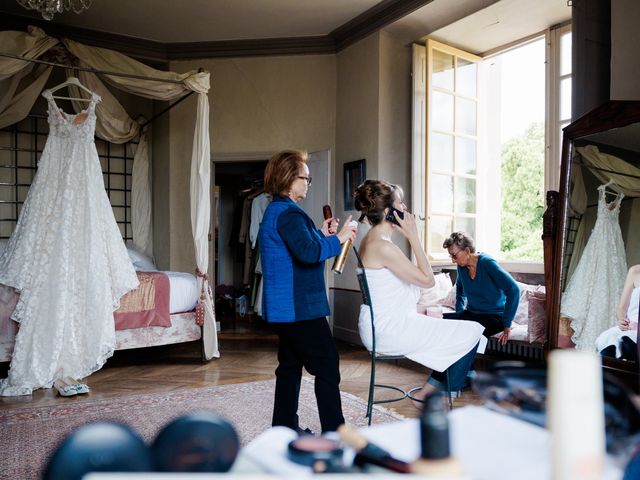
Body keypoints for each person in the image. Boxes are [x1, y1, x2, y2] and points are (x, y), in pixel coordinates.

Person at [353, 180, 485, 404]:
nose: (405, 209)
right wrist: (414, 236)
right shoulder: (383, 247)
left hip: (383, 324)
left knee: (470, 333)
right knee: (473, 334)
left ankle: (430, 392)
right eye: (400, 204)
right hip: (389, 330)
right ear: (388, 212)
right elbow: (428, 280)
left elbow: (409, 280)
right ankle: (441, 396)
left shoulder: (373, 241)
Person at [258, 149, 357, 433]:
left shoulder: (280, 210)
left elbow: (304, 244)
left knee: (290, 366)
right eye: (306, 178)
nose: (308, 183)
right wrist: (337, 239)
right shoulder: (288, 214)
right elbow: (308, 252)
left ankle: (284, 428)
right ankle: (335, 432)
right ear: (289, 178)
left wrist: (323, 234)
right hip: (299, 307)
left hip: (286, 308)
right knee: (327, 364)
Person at [442, 232, 520, 345]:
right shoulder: (461, 267)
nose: (453, 260)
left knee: (467, 332)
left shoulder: (487, 263)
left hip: (494, 317)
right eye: (451, 256)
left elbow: (513, 290)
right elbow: (459, 288)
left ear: (467, 251)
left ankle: (463, 361)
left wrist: (507, 324)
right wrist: (459, 312)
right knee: (440, 321)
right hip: (472, 314)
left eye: (454, 255)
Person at [597, 264, 639, 362]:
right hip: (630, 327)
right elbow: (622, 308)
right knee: (607, 339)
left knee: (628, 344)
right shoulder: (635, 271)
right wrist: (621, 320)